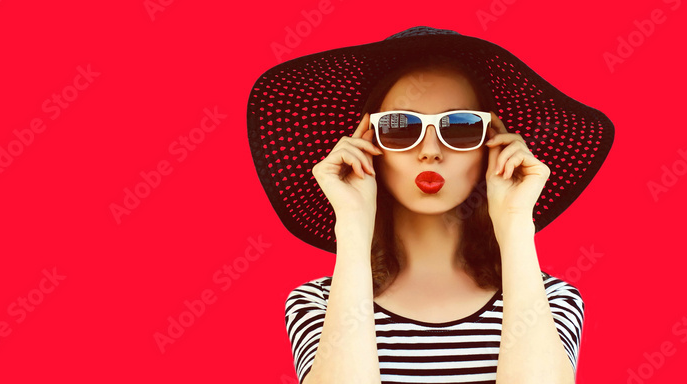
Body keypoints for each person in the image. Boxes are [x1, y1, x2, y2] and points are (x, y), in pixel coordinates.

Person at [247, 26, 615, 384]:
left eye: (459, 127)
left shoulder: (551, 299)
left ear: (495, 145)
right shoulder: (318, 302)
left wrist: (517, 223)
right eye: (400, 126)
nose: (430, 151)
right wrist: (352, 225)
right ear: (366, 144)